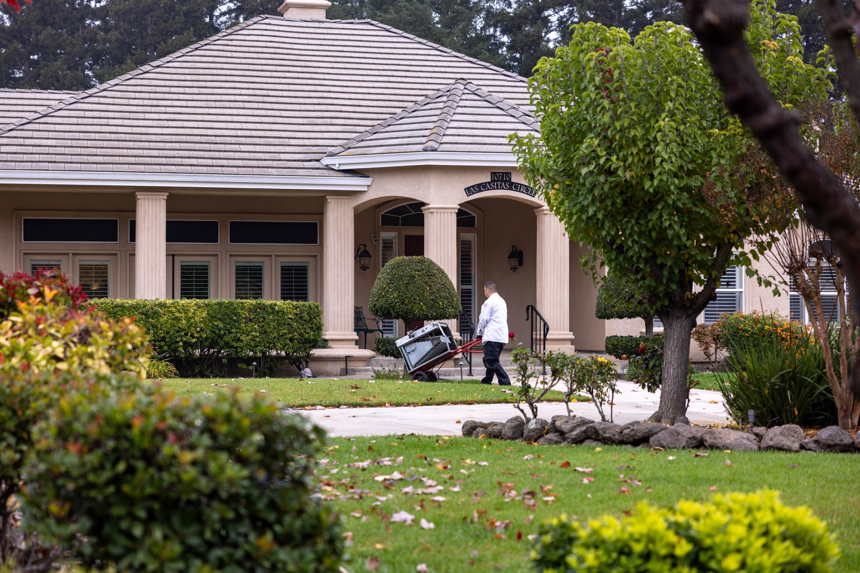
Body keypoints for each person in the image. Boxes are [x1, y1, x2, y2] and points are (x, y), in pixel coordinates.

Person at [476, 281, 510, 386]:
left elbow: (484, 319)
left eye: (484, 291)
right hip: (501, 337)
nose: (485, 293)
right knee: (493, 359)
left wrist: (479, 332)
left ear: (488, 290)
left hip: (492, 336)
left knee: (490, 361)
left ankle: (505, 381)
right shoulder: (502, 301)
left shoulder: (489, 302)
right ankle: (487, 380)